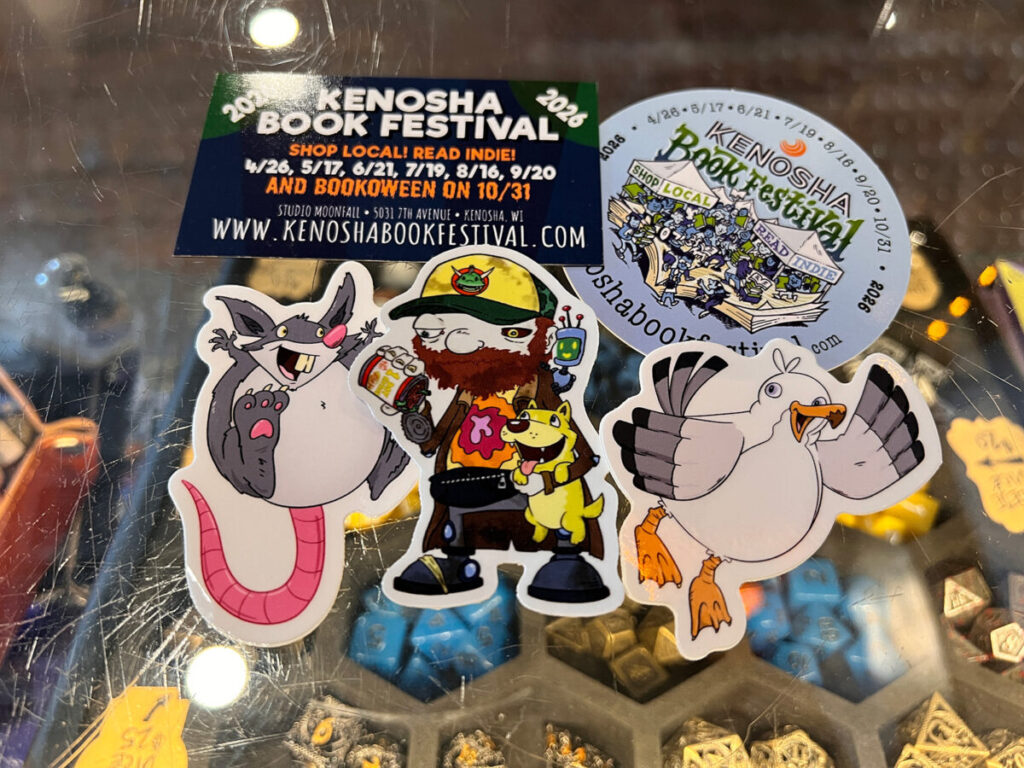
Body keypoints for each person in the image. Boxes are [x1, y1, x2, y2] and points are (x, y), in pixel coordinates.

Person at [386, 254, 609, 603]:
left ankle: (566, 556)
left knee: (555, 511)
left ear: (538, 336)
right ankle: (456, 559)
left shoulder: (540, 389)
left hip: (530, 489)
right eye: (437, 331)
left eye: (508, 331)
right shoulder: (463, 391)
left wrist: (551, 478)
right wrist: (415, 416)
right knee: (454, 502)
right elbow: (432, 442)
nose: (463, 345)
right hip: (467, 488)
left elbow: (577, 450)